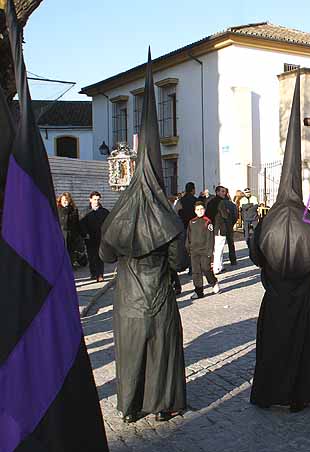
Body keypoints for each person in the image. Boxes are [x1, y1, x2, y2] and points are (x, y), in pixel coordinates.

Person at [99, 53, 188, 424]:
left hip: (128, 298)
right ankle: (163, 405)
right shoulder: (167, 216)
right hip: (159, 297)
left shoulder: (119, 211)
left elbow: (105, 254)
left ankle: (130, 406)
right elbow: (179, 263)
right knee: (161, 353)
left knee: (132, 352)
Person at [250, 73, 310, 413]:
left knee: (274, 345)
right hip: (306, 294)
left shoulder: (267, 219)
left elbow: (256, 256)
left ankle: (271, 393)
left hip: (275, 294)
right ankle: (299, 396)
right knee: (304, 346)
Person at [187, 201, 219, 299]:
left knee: (206, 269)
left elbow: (210, 238)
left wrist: (210, 251)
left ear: (204, 210)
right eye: (198, 210)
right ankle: (198, 291)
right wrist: (188, 248)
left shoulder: (207, 222)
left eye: (201, 209)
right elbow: (188, 236)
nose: (200, 211)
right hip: (194, 251)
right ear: (195, 211)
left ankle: (213, 282)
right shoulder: (192, 222)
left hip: (205, 250)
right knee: (196, 272)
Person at [79, 191, 109, 281]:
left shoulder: (104, 212)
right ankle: (93, 273)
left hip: (101, 237)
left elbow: (109, 223)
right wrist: (85, 234)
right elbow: (81, 224)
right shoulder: (85, 212)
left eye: (98, 199)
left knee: (100, 256)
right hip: (90, 238)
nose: (96, 201)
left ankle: (100, 275)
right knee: (92, 256)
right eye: (95, 199)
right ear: (90, 199)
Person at [207, 186, 235, 273]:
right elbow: (225, 215)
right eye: (222, 191)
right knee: (219, 248)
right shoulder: (221, 202)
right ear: (217, 192)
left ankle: (220, 265)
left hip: (213, 227)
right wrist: (227, 212)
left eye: (225, 192)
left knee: (217, 248)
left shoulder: (210, 201)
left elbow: (208, 214)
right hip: (220, 227)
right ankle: (217, 267)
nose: (224, 193)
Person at [57, 192, 81, 266]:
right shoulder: (57, 210)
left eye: (67, 199)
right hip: (60, 233)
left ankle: (69, 266)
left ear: (70, 200)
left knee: (70, 252)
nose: (65, 201)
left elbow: (77, 224)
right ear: (60, 200)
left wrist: (78, 234)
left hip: (71, 234)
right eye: (63, 199)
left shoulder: (74, 210)